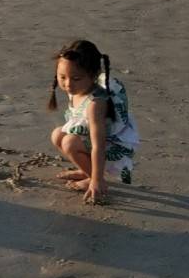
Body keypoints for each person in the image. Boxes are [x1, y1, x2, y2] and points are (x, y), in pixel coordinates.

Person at [48, 39, 139, 204]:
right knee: (57, 135)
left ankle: (94, 178)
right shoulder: (78, 89)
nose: (68, 84)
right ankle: (85, 170)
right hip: (91, 141)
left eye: (75, 78)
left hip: (110, 146)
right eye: (62, 77)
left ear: (93, 75)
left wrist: (97, 180)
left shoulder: (95, 104)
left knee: (69, 142)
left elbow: (99, 145)